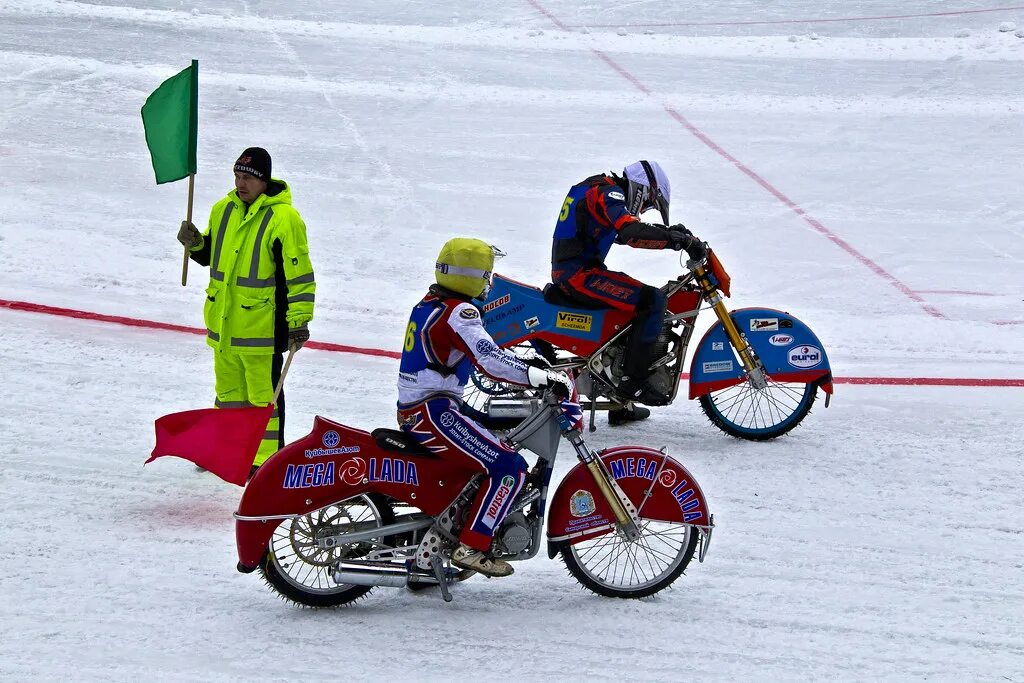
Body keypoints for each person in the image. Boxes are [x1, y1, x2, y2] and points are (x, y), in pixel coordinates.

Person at [397, 237, 571, 578]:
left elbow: (485, 352)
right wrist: (537, 377)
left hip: (429, 407)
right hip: (433, 413)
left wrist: (528, 365)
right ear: (472, 276)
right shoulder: (460, 311)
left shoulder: (431, 303)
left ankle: (441, 547)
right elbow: (489, 360)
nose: (490, 282)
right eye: (488, 275)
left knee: (497, 437)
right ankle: (472, 545)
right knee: (510, 466)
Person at [176, 147, 315, 476]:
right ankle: (225, 451)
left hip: (261, 331)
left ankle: (265, 462)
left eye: (248, 178)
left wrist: (298, 323)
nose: (241, 183)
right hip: (224, 327)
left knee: (263, 399)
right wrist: (195, 244)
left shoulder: (285, 219)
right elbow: (213, 254)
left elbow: (299, 276)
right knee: (228, 395)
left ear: (264, 181)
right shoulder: (222, 209)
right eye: (237, 176)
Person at [550, 160, 705, 425]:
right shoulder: (608, 193)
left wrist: (668, 234)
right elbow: (630, 232)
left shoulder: (598, 187)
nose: (644, 209)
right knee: (652, 300)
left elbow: (623, 233)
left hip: (578, 271)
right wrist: (679, 241)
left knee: (630, 313)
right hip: (578, 276)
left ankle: (620, 403)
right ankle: (633, 382)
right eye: (648, 203)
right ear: (643, 189)